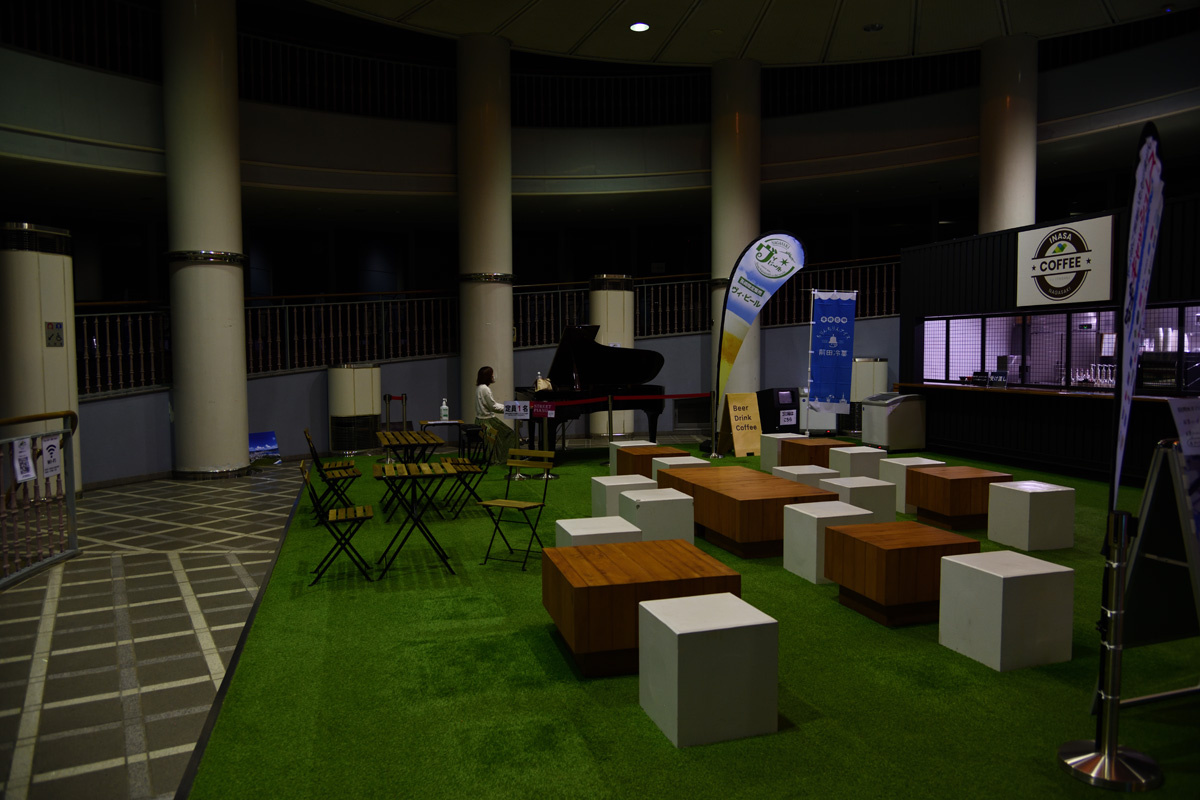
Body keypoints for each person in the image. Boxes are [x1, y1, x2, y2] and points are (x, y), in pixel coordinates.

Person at [475, 365, 518, 465]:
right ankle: (505, 458)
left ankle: (501, 456)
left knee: (504, 433)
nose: (493, 376)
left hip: (481, 419)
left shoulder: (480, 388)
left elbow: (492, 404)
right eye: (492, 374)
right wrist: (509, 408)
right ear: (488, 376)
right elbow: (493, 407)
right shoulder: (485, 389)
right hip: (487, 420)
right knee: (509, 433)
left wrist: (506, 406)